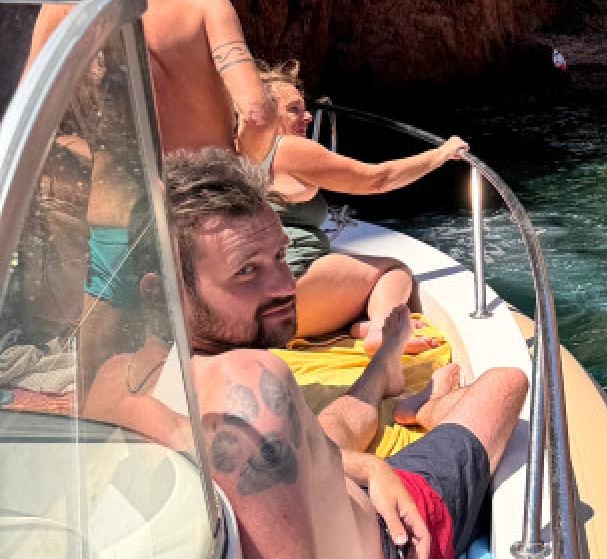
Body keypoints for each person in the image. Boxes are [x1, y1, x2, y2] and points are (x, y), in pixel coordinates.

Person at [86, 148, 528, 559]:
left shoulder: (112, 383)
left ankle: (383, 369)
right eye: (246, 271)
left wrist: (369, 469)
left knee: (330, 430)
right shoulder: (249, 385)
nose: (283, 286)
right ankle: (429, 408)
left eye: (280, 256)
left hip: (346, 482)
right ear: (162, 292)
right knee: (506, 383)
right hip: (397, 535)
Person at [21, 0, 275, 387]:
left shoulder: (66, 4)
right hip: (200, 212)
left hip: (113, 209)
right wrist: (246, 174)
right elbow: (257, 110)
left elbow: (31, 120)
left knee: (103, 374)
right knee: (212, 366)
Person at [256, 63, 469, 352]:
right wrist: (440, 155)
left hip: (256, 304)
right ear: (265, 115)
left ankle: (359, 324)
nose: (307, 116)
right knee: (394, 271)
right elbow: (378, 179)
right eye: (294, 109)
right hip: (292, 296)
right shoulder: (288, 149)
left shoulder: (238, 149)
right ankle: (382, 331)